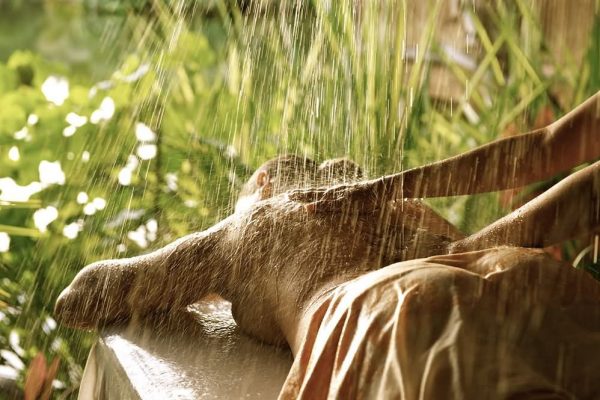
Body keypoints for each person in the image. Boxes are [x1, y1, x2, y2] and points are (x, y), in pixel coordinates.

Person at [56, 92, 600, 398]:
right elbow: (544, 170)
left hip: (384, 318)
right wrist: (386, 195)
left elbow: (83, 299)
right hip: (526, 283)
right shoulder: (401, 220)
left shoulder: (250, 227)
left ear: (264, 185)